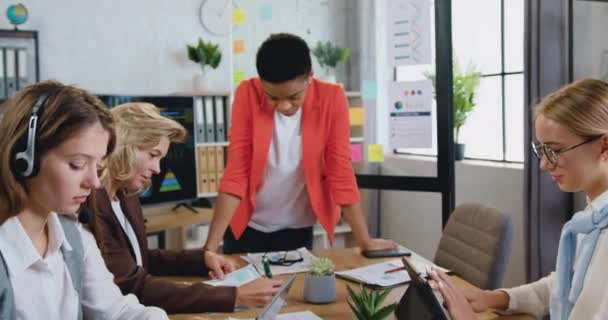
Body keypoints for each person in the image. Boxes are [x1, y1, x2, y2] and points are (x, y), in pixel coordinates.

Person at [203, 32, 397, 254]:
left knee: (295, 288)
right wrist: (209, 250)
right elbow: (236, 173)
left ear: (310, 76)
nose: (284, 106)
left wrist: (365, 241)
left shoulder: (332, 99)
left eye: (294, 96)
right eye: (273, 97)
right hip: (246, 225)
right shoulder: (248, 94)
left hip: (298, 227)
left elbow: (340, 171)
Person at [430, 79, 608, 320]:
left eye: (555, 151)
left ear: (604, 146)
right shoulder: (594, 218)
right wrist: (496, 298)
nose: (544, 165)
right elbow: (566, 284)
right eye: (542, 150)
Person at [89, 102, 282, 314]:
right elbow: (133, 285)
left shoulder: (125, 194)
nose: (157, 168)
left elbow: (139, 259)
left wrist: (200, 260)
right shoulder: (94, 205)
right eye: (153, 155)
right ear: (124, 146)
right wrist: (233, 295)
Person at [0, 81, 169, 319]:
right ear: (25, 159)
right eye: (77, 164)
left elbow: (118, 311)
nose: (94, 182)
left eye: (98, 166)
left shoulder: (74, 238)